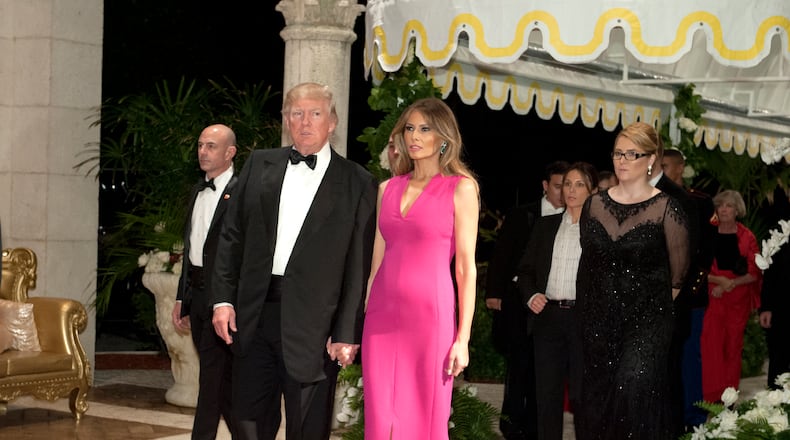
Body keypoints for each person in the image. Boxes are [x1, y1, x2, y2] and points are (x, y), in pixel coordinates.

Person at [210, 82, 377, 440]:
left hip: (315, 328)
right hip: (252, 317)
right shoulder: (259, 163)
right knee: (247, 422)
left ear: (331, 122)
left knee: (308, 429)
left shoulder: (357, 182)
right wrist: (223, 299)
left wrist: (346, 331)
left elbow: (357, 266)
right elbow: (231, 236)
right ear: (286, 120)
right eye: (296, 113)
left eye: (315, 113)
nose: (305, 122)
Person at [361, 97, 479, 440]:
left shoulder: (461, 188)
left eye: (425, 128)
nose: (414, 136)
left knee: (424, 419)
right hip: (382, 318)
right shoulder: (387, 188)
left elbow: (466, 269)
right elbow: (376, 262)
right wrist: (363, 311)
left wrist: (463, 339)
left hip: (431, 318)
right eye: (410, 128)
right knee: (381, 421)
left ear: (444, 137)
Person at [576, 121, 689, 439]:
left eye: (632, 154)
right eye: (617, 153)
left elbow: (678, 277)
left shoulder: (668, 209)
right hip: (598, 320)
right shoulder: (594, 205)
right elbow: (589, 265)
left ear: (651, 159)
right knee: (598, 400)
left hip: (646, 323)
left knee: (632, 387)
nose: (622, 160)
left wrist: (651, 314)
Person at [484, 161, 568, 440]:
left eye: (567, 185)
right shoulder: (524, 214)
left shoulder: (574, 217)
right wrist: (494, 293)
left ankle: (534, 427)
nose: (563, 192)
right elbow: (502, 255)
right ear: (545, 186)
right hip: (519, 302)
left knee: (542, 368)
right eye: (558, 185)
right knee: (518, 364)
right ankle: (510, 423)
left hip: (550, 305)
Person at [519, 162, 598, 440]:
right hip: (548, 320)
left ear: (593, 191)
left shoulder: (600, 231)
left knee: (582, 398)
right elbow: (526, 270)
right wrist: (531, 295)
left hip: (583, 321)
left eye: (579, 184)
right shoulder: (545, 225)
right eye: (567, 184)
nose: (571, 190)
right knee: (547, 398)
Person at [172, 124, 239, 440]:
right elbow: (191, 249)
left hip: (223, 299)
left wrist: (228, 300)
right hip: (196, 295)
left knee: (210, 379)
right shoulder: (197, 191)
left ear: (230, 152)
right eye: (200, 145)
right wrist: (181, 298)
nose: (202, 152)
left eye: (211, 146)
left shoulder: (241, 193)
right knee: (219, 382)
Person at [660, 148, 715, 430]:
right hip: (656, 296)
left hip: (690, 297)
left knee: (688, 357)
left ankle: (693, 418)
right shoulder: (652, 199)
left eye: (665, 165)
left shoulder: (700, 202)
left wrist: (688, 289)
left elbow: (705, 253)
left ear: (680, 168)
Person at [701, 190, 762, 403]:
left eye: (729, 206)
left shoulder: (747, 236)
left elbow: (754, 272)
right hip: (712, 296)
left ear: (737, 210)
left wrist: (731, 283)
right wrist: (718, 282)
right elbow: (697, 268)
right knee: (710, 346)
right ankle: (711, 396)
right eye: (721, 205)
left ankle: (729, 396)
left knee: (733, 348)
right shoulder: (708, 233)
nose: (724, 209)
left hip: (738, 299)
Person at [760, 222, 790, 389]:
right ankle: (776, 405)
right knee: (779, 360)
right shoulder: (781, 234)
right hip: (782, 309)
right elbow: (770, 274)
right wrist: (766, 306)